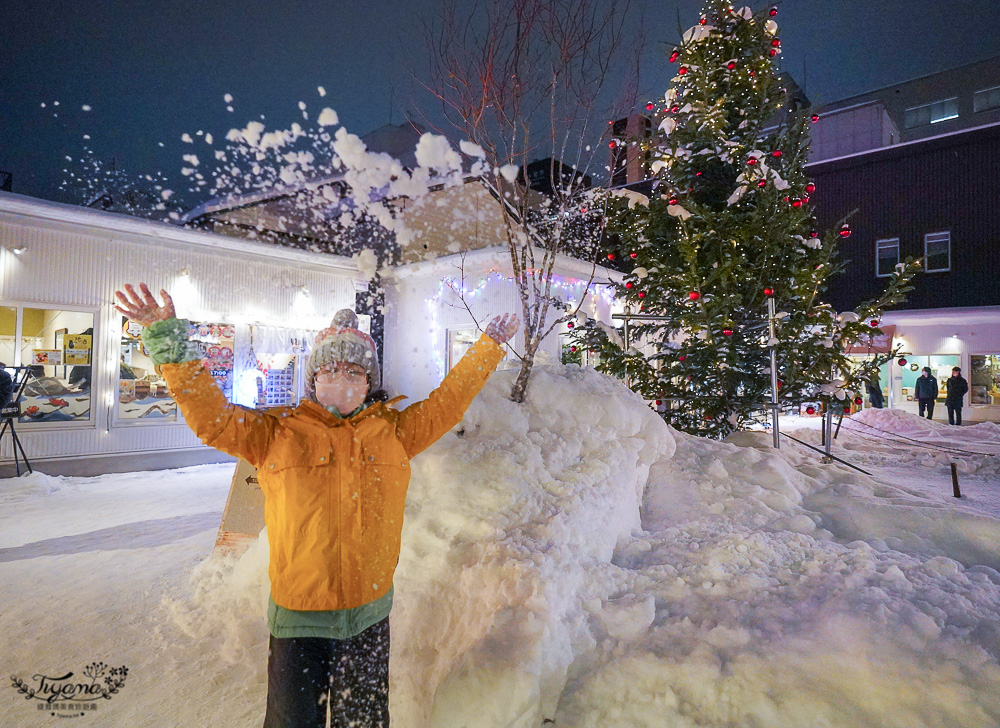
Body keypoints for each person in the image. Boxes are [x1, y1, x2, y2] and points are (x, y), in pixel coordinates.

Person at [114, 283, 518, 728]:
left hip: (368, 616)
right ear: (313, 380)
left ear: (369, 384)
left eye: (355, 374)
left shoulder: (394, 433)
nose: (342, 381)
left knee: (363, 723)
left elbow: (448, 404)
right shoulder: (275, 434)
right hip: (298, 620)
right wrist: (168, 340)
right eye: (331, 371)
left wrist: (488, 348)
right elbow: (211, 418)